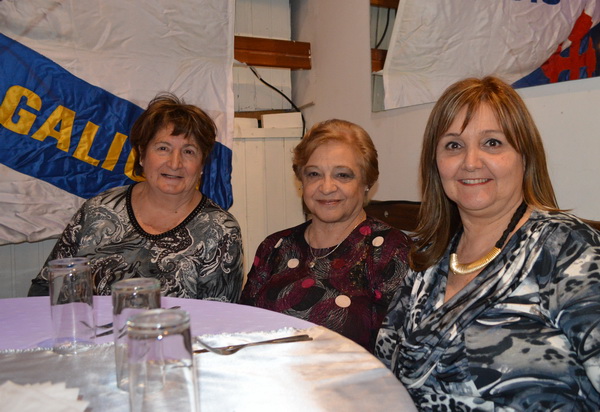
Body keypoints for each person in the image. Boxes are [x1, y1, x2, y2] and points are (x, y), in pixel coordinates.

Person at [375, 76, 600, 410]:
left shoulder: (568, 250)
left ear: (525, 155)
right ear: (435, 163)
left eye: (492, 143)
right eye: (453, 145)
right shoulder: (430, 259)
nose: (470, 162)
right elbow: (383, 372)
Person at [28, 94, 244, 301]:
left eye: (188, 151)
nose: (175, 163)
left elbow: (219, 317)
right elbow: (47, 287)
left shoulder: (221, 231)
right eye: (163, 148)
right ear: (142, 155)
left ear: (202, 163)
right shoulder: (98, 210)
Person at [241, 119, 412, 352]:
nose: (327, 187)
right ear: (301, 181)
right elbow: (242, 329)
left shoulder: (390, 251)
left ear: (366, 182)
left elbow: (400, 352)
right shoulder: (275, 246)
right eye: (314, 174)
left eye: (343, 175)